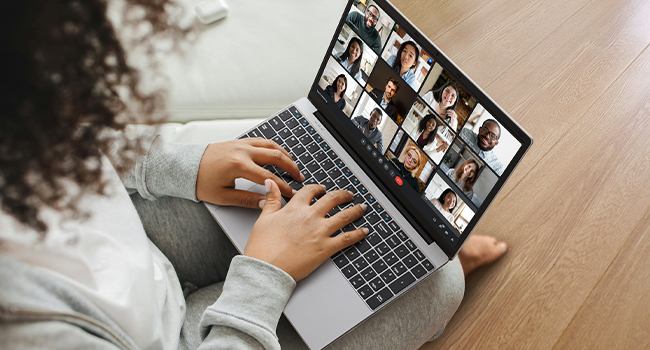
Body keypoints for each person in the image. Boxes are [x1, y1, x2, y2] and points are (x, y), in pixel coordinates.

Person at [0, 1, 509, 349]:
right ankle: (439, 256)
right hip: (191, 339)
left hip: (145, 244)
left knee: (316, 183)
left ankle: (422, 234)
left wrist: (177, 167)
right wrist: (265, 274)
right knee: (438, 286)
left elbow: (70, 146)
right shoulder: (29, 328)